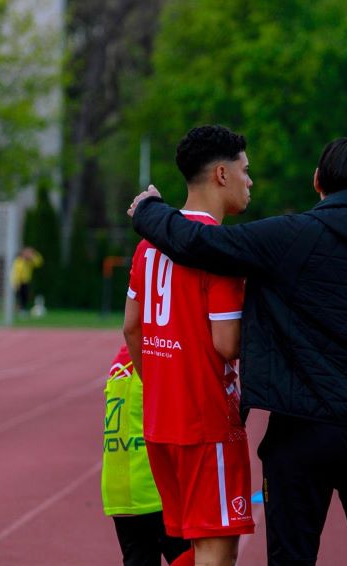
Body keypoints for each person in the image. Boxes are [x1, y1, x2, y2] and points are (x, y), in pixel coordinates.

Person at [128, 138, 347, 565]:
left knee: (290, 558)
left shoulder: (289, 237)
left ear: (317, 181)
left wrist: (148, 210)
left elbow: (200, 244)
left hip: (302, 427)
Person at [123, 125, 255, 566]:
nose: (249, 181)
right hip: (207, 423)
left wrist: (162, 385)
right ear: (222, 174)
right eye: (244, 170)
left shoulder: (147, 246)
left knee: (191, 547)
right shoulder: (220, 251)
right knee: (216, 549)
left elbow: (131, 327)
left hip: (161, 421)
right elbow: (227, 343)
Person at [101, 344, 191, 566]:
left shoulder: (122, 357)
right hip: (155, 487)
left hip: (119, 489)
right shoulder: (161, 354)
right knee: (203, 556)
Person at [10, 246, 43, 315]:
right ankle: (18, 310)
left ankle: (22, 309)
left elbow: (39, 262)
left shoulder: (29, 262)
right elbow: (15, 272)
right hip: (18, 282)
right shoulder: (18, 261)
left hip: (26, 281)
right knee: (19, 297)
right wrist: (15, 282)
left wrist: (34, 254)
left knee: (25, 296)